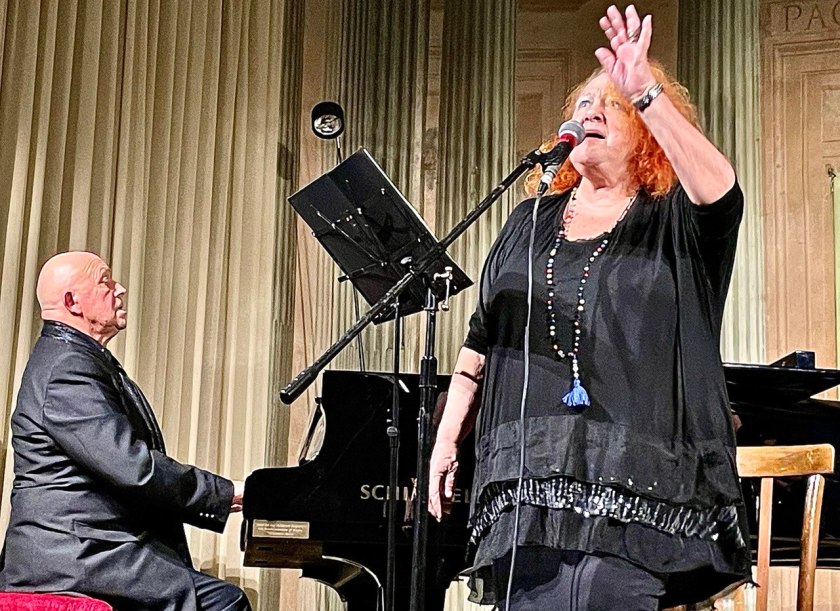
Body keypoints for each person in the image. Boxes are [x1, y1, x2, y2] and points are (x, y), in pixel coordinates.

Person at [429, 5, 751, 610]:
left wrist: (645, 90)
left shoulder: (674, 220)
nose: (591, 112)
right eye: (582, 104)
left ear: (648, 133)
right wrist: (448, 436)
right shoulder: (528, 221)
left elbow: (722, 193)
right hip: (528, 490)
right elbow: (482, 337)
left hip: (635, 492)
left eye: (614, 106)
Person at [0, 251, 251, 611]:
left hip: (88, 547)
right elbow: (133, 467)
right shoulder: (66, 367)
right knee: (223, 603)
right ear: (72, 302)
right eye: (105, 281)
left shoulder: (73, 357)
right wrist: (227, 494)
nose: (119, 289)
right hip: (72, 555)